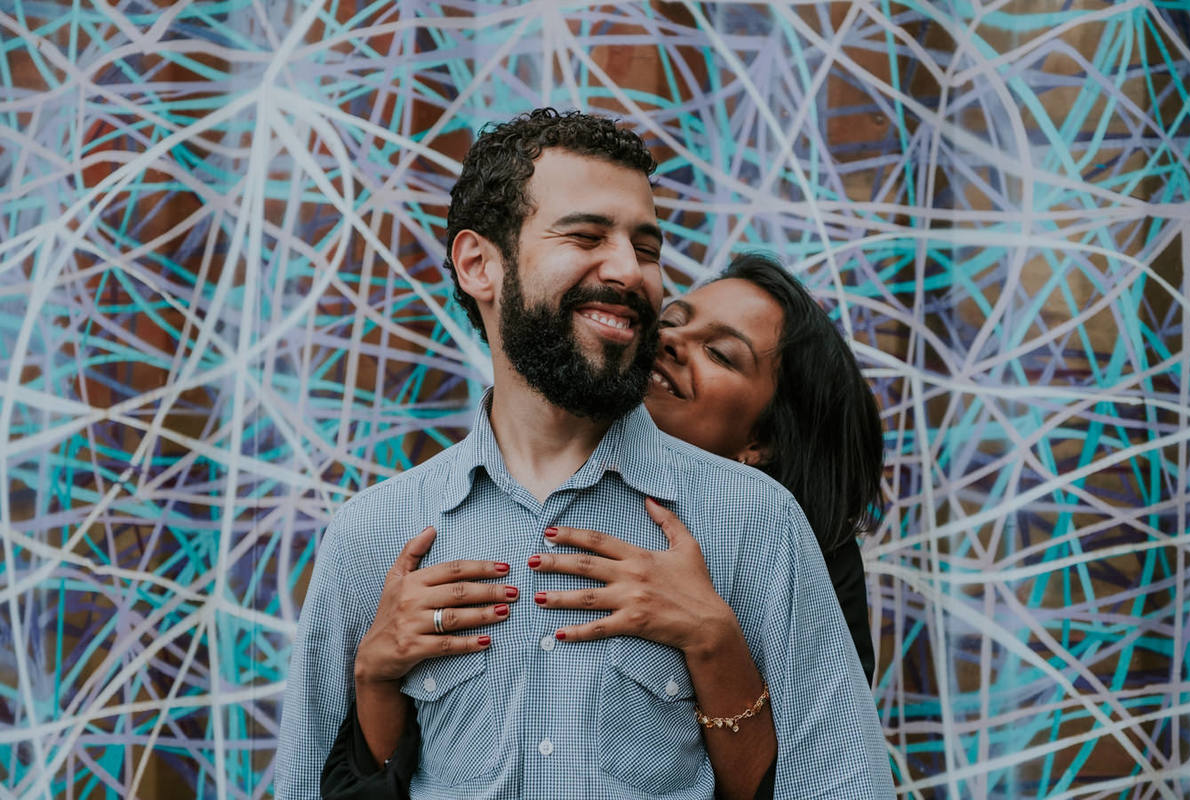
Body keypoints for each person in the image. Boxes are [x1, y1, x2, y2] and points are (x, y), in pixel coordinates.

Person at [275, 108, 892, 800]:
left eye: (648, 247)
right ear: (479, 264)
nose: (630, 271)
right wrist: (375, 676)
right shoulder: (373, 535)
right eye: (587, 236)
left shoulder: (759, 524)